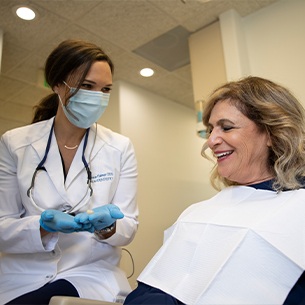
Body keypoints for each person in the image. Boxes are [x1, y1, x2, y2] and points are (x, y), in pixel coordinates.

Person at [124, 76, 305, 305]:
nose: (211, 141)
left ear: (270, 133)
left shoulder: (299, 206)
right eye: (210, 129)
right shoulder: (197, 212)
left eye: (226, 127)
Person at [0, 39, 138, 305]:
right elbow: (2, 226)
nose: (97, 97)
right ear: (57, 85)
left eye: (105, 89)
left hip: (89, 272)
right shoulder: (14, 143)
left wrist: (108, 226)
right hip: (22, 274)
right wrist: (40, 227)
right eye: (87, 86)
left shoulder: (120, 148)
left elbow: (129, 225)